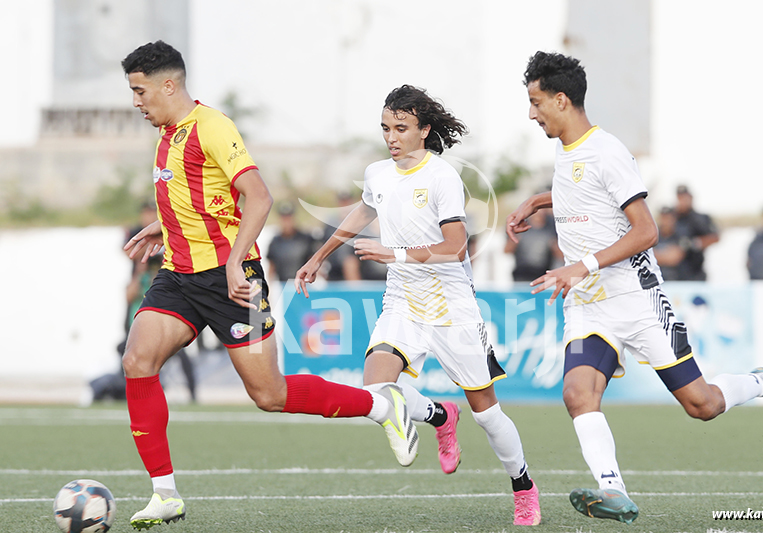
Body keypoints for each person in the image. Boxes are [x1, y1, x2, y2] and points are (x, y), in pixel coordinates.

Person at [506, 51, 763, 525]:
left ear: (561, 99)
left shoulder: (606, 150)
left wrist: (581, 266)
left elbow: (645, 231)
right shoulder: (566, 149)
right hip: (589, 306)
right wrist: (539, 199)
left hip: (636, 298)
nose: (531, 114)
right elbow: (584, 190)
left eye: (535, 103)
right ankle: (612, 491)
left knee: (703, 405)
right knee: (577, 393)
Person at [120, 40, 418, 530]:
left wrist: (237, 261)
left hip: (236, 282)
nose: (136, 102)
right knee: (137, 360)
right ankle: (164, 493)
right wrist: (166, 224)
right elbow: (201, 196)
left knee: (270, 395)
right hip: (178, 276)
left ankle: (381, 405)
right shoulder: (167, 135)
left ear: (168, 85)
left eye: (140, 90)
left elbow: (258, 197)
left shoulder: (212, 127)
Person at [295, 85, 541, 526]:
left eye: (402, 128)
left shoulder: (442, 177)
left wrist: (396, 253)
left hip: (451, 304)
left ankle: (522, 485)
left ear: (424, 130)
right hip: (403, 299)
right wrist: (318, 257)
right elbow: (362, 213)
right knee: (375, 389)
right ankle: (439, 415)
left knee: (486, 411)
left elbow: (455, 244)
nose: (392, 137)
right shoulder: (377, 173)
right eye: (386, 128)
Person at [504, 204, 562, 282]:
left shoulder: (552, 227)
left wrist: (553, 244)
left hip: (545, 274)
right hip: (521, 274)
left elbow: (561, 256)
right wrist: (515, 238)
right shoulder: (521, 227)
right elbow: (506, 250)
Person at [673, 185, 719, 280]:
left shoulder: (701, 218)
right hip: (675, 274)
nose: (682, 201)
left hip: (696, 272)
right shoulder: (672, 218)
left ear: (691, 198)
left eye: (685, 197)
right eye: (680, 198)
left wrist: (695, 243)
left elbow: (715, 237)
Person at [266, 201, 316, 283]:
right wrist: (270, 286)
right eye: (284, 218)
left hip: (303, 284)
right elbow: (271, 267)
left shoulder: (306, 239)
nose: (287, 221)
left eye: (289, 218)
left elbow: (312, 261)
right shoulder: (275, 241)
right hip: (282, 284)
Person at [652, 206, 685, 281]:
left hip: (676, 279)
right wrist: (666, 254)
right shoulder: (653, 234)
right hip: (656, 279)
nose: (665, 221)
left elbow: (675, 258)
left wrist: (658, 255)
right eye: (663, 218)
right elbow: (650, 256)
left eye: (668, 218)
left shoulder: (680, 234)